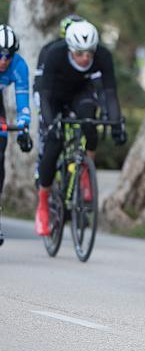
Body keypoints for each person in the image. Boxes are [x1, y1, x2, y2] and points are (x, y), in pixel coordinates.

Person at [35, 20, 127, 236]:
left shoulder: (103, 56)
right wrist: (50, 125)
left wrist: (116, 124)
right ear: (69, 48)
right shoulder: (54, 54)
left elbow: (110, 92)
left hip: (81, 93)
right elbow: (45, 96)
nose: (85, 58)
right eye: (79, 53)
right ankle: (42, 204)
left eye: (89, 53)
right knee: (53, 144)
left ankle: (85, 169)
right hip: (55, 96)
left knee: (89, 123)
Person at [33, 14, 85, 183]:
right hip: (48, 93)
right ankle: (41, 163)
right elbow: (40, 81)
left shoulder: (84, 53)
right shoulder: (50, 49)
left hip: (69, 96)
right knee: (48, 131)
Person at [0, 24, 32, 243]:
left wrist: (23, 128)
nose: (3, 61)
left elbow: (23, 104)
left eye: (8, 56)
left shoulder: (19, 66)